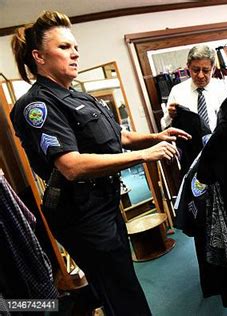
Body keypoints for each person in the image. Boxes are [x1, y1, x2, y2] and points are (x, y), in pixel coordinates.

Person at [10, 11, 191, 315]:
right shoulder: (37, 105)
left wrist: (156, 136)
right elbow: (71, 166)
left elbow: (119, 136)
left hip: (103, 205)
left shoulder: (80, 97)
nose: (75, 53)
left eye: (75, 47)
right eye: (64, 47)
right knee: (121, 291)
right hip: (82, 215)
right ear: (39, 57)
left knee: (118, 282)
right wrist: (145, 155)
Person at [160, 45, 227, 132]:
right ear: (188, 67)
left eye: (206, 70)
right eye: (196, 70)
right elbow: (164, 126)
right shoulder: (177, 92)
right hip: (190, 143)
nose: (200, 76)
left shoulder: (223, 90)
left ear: (213, 69)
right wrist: (170, 116)